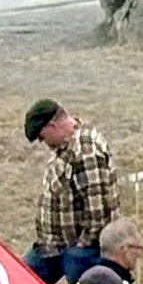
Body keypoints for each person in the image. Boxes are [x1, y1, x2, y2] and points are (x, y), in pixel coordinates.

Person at [24, 98, 118, 269]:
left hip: (82, 251)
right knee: (19, 278)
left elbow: (98, 210)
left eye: (42, 137)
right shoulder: (66, 146)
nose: (45, 144)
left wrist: (82, 247)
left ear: (52, 125)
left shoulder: (86, 151)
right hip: (53, 247)